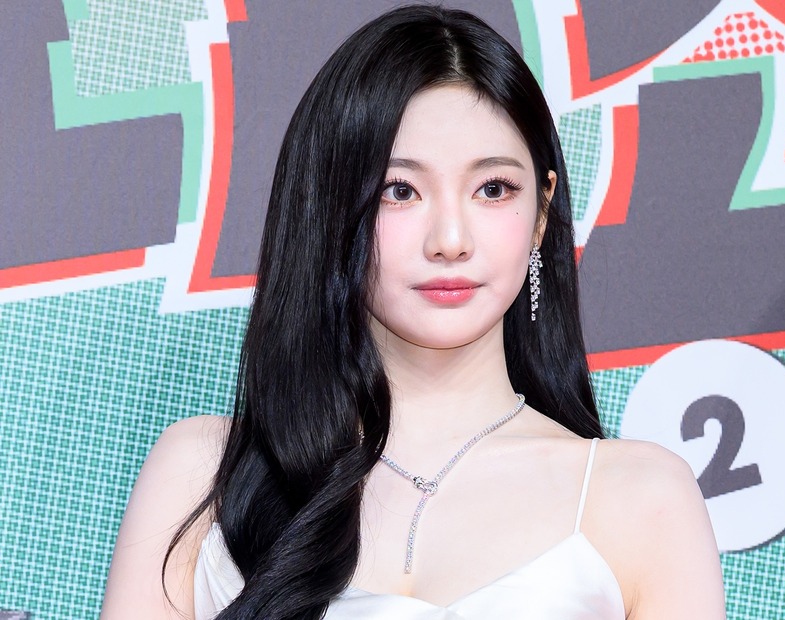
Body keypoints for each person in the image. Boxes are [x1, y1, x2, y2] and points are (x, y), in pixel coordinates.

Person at [101, 5, 725, 619]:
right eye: (400, 191)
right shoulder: (203, 478)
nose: (450, 239)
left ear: (541, 212)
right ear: (332, 208)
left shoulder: (641, 500)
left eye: (493, 189)